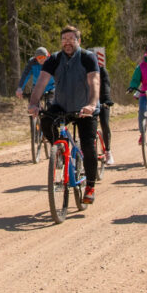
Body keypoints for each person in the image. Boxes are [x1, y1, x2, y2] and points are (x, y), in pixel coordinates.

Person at [27, 25, 100, 204]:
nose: (67, 43)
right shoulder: (54, 59)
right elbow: (41, 83)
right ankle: (60, 151)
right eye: (64, 40)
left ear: (78, 41)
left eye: (71, 39)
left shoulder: (88, 57)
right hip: (61, 106)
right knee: (45, 122)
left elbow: (94, 82)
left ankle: (90, 185)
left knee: (88, 147)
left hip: (84, 109)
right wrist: (33, 103)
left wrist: (91, 104)